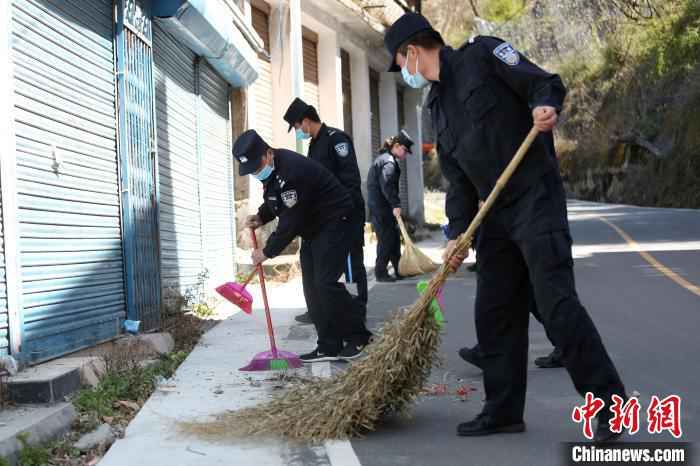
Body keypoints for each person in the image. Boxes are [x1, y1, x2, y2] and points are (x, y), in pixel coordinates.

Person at [384, 13, 626, 442]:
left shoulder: (484, 54)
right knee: (494, 311)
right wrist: (459, 232)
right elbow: (457, 180)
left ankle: (609, 407)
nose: (404, 72)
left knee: (556, 304)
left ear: (414, 52)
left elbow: (541, 81)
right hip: (493, 212)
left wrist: (544, 104)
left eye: (401, 62)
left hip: (535, 197)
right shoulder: (436, 106)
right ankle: (503, 410)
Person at [233, 130, 372, 362]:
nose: (257, 174)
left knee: (326, 283)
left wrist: (266, 252)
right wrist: (261, 216)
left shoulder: (292, 171)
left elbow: (290, 221)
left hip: (335, 221)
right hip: (314, 227)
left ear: (268, 154)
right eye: (253, 172)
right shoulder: (274, 171)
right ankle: (329, 345)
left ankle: (359, 336)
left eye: (257, 168)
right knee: (312, 287)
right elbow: (275, 200)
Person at [283, 98, 368, 323]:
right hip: (327, 216)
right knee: (319, 265)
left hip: (347, 214)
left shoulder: (336, 139)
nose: (298, 132)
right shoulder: (315, 144)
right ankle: (319, 311)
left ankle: (358, 311)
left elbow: (350, 180)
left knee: (351, 264)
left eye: (298, 126)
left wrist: (343, 214)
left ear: (307, 120)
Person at [366, 131, 414, 282]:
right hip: (382, 208)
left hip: (382, 208)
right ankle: (381, 273)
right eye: (404, 150)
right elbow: (387, 186)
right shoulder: (388, 162)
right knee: (386, 239)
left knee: (392, 239)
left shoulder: (386, 159)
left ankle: (399, 270)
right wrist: (396, 204)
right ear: (397, 146)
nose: (405, 154)